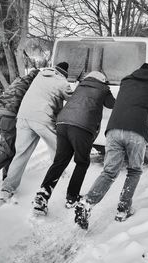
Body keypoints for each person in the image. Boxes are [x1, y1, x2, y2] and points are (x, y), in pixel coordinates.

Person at [74, 63, 148, 229]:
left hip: (114, 130)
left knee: (109, 172)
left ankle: (87, 202)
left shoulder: (126, 81)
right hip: (136, 131)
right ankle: (123, 209)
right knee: (134, 170)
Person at [32, 71, 115, 216]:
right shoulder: (103, 89)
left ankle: (42, 196)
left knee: (60, 161)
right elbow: (111, 104)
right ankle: (72, 197)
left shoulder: (80, 86)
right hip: (81, 127)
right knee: (82, 162)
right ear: (103, 80)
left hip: (62, 123)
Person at [0, 62, 72, 202]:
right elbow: (74, 100)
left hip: (23, 117)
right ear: (64, 74)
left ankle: (7, 189)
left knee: (21, 153)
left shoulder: (40, 75)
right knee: (58, 147)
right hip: (42, 117)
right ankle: (60, 174)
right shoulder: (62, 83)